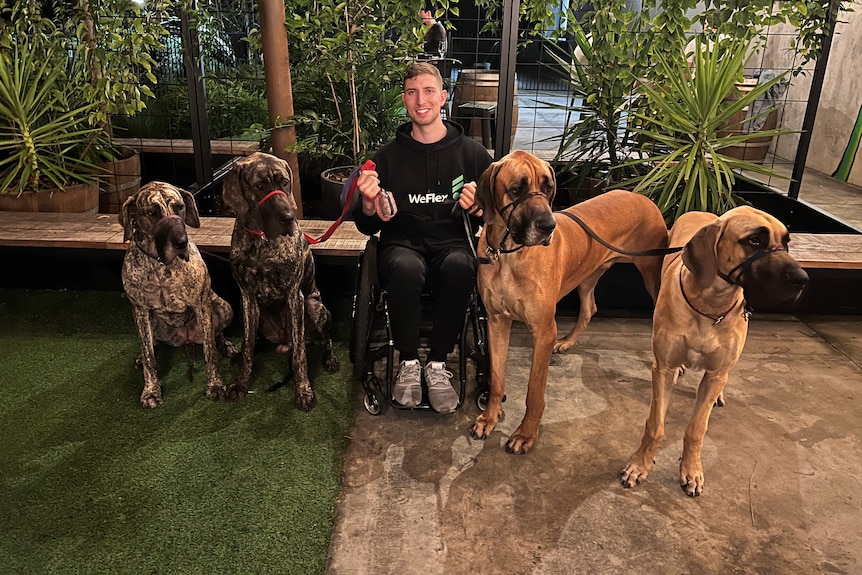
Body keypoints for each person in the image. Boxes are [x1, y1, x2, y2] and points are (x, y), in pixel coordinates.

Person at [353, 62, 492, 413]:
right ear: (404, 100)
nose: (421, 100)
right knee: (404, 268)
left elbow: (497, 215)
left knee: (463, 265)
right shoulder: (386, 157)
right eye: (413, 92)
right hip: (403, 246)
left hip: (453, 244)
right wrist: (369, 204)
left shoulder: (474, 156)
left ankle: (439, 364)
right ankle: (410, 362)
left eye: (429, 91)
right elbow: (367, 227)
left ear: (443, 97)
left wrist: (480, 210)